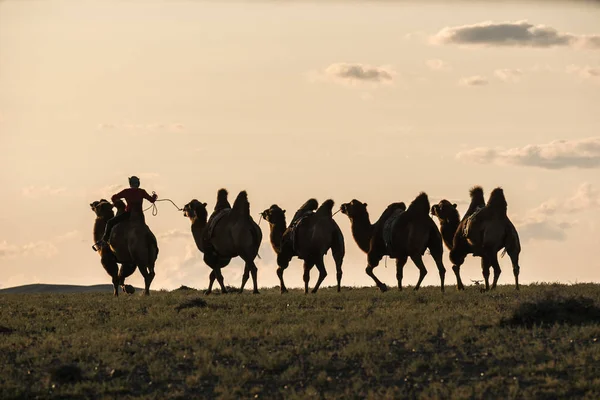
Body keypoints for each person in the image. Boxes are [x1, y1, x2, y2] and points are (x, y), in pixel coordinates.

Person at [93, 176, 157, 250]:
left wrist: (116, 202)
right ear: (138, 183)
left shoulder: (126, 191)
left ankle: (104, 241)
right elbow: (152, 200)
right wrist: (154, 196)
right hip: (140, 216)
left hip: (129, 214)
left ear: (130, 183)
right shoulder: (142, 192)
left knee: (110, 223)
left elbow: (113, 197)